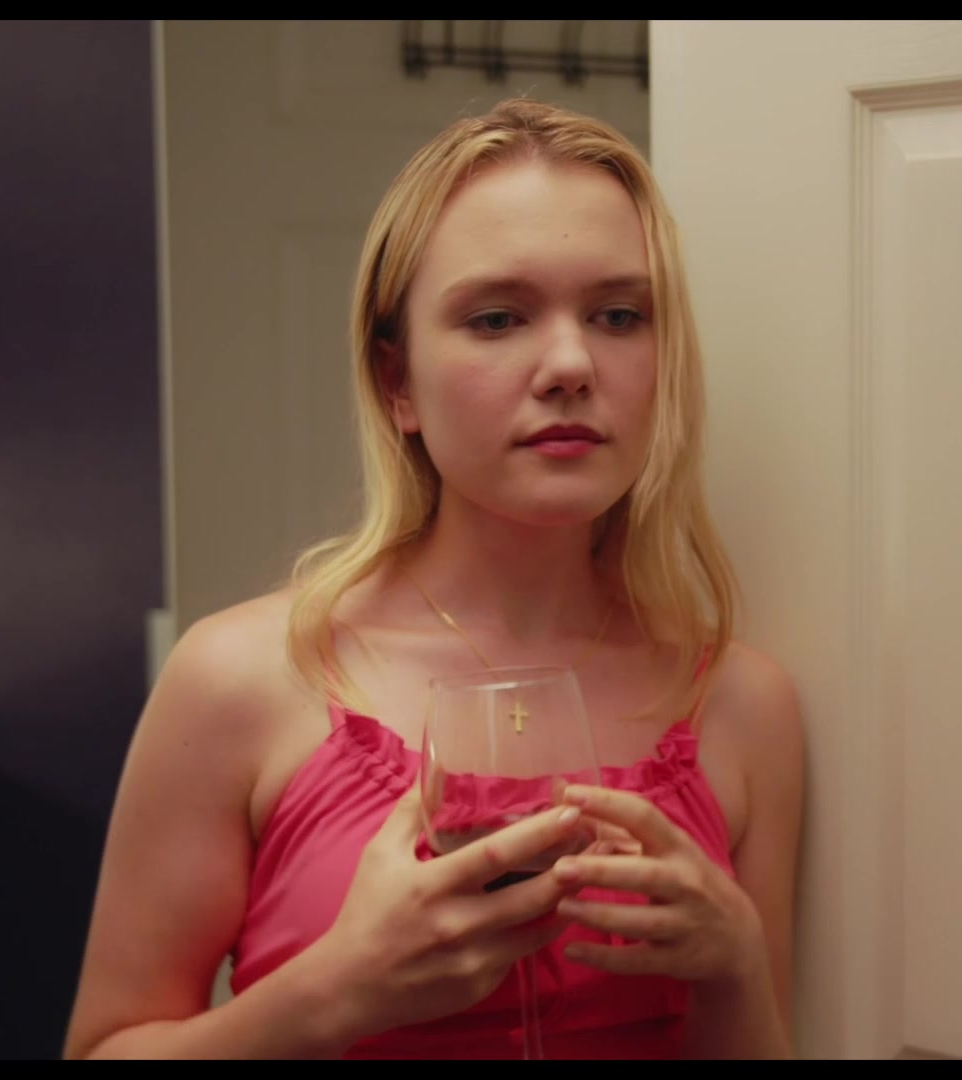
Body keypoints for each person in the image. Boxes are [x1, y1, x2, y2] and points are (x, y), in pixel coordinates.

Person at [62, 98, 804, 1060]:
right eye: (498, 318)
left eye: (619, 315)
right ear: (397, 384)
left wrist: (737, 966)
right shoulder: (242, 682)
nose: (571, 364)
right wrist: (336, 992)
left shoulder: (744, 708)